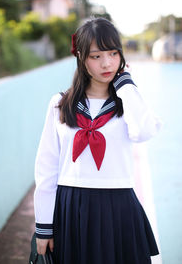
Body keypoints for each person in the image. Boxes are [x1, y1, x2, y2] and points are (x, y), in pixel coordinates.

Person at [34, 17, 161, 264]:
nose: (107, 63)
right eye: (96, 56)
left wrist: (126, 86)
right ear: (81, 57)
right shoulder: (60, 104)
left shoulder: (128, 101)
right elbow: (46, 167)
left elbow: (144, 132)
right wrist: (44, 225)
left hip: (119, 206)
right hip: (72, 207)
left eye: (114, 53)